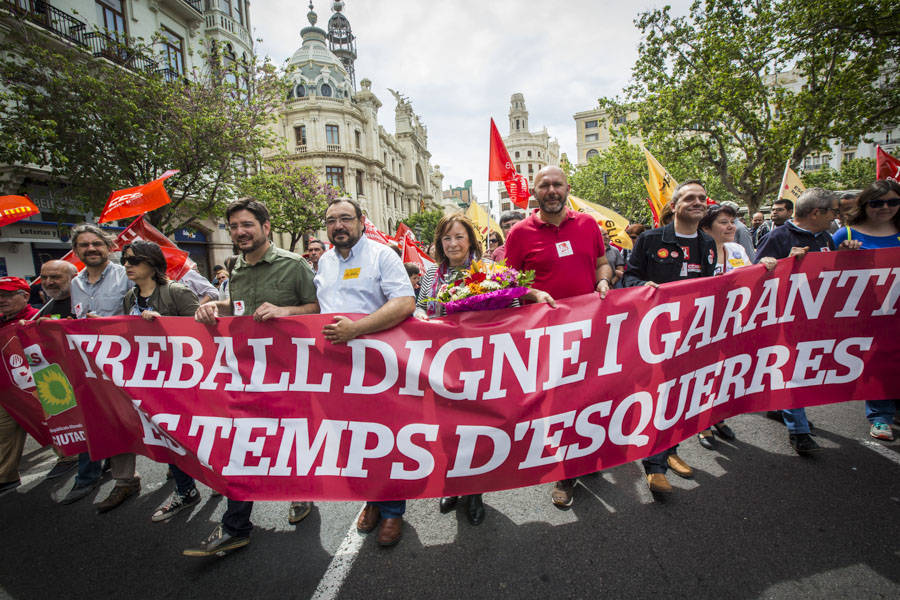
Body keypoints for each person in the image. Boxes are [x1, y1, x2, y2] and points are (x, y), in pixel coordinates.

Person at [185, 199, 319, 557]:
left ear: (265, 226)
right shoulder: (236, 269)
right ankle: (236, 527)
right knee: (241, 447)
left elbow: (318, 309)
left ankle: (301, 492)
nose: (240, 232)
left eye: (247, 224)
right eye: (233, 226)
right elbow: (240, 308)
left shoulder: (295, 266)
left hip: (292, 375)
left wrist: (286, 310)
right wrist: (217, 307)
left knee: (293, 441)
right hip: (247, 375)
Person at [504, 165, 613, 508]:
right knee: (558, 404)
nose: (551, 190)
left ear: (568, 188)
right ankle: (564, 472)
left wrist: (604, 280)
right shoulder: (519, 233)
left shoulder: (587, 225)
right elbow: (509, 283)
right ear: (533, 191)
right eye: (544, 185)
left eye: (557, 184)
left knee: (590, 396)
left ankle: (586, 453)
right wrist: (532, 294)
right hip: (545, 335)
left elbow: (601, 262)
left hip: (589, 330)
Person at [314, 198, 416, 547]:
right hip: (338, 370)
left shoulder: (382, 255)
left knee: (384, 439)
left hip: (378, 367)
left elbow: (404, 303)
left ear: (361, 221)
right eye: (331, 220)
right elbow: (318, 309)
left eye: (345, 218)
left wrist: (356, 330)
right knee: (354, 441)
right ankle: (371, 500)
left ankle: (392, 512)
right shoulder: (324, 261)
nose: (338, 225)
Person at [623, 180, 718, 495]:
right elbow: (630, 277)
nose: (697, 202)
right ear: (674, 206)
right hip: (653, 335)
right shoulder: (651, 240)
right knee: (656, 397)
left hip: (691, 335)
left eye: (701, 198)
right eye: (689, 198)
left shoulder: (707, 244)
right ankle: (655, 467)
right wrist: (644, 287)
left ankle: (670, 449)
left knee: (680, 395)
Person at [755, 188, 861, 454]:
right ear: (817, 212)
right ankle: (799, 431)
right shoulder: (778, 237)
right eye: (834, 211)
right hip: (785, 318)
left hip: (816, 316)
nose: (836, 216)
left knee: (802, 370)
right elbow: (755, 275)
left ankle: (781, 407)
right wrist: (783, 264)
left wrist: (846, 255)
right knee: (793, 372)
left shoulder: (826, 236)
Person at [413, 214, 504, 525]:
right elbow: (420, 305)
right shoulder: (429, 276)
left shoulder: (490, 272)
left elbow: (516, 310)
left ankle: (475, 490)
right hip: (441, 367)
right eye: (446, 238)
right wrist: (420, 316)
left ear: (471, 240)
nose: (452, 243)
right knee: (446, 429)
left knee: (476, 430)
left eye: (459, 237)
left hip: (480, 368)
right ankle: (453, 483)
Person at [120, 240, 202, 520]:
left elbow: (202, 338)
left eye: (133, 260)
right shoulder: (129, 298)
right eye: (125, 260)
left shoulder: (177, 293)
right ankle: (185, 490)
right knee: (167, 437)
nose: (127, 266)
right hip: (153, 383)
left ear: (152, 264)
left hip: (186, 381)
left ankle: (222, 483)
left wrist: (165, 326)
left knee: (199, 437)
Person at [63, 224, 140, 511]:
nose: (91, 249)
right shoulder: (76, 283)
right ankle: (125, 481)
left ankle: (183, 472)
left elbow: (143, 315)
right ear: (77, 250)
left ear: (108, 246)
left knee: (154, 419)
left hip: (131, 364)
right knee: (112, 421)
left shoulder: (127, 275)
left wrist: (108, 326)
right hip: (96, 369)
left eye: (97, 243)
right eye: (84, 245)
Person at [694, 204, 777, 449]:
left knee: (724, 374)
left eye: (732, 221)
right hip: (703, 326)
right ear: (706, 228)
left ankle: (717, 417)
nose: (731, 226)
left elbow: (752, 276)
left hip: (733, 325)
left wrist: (767, 266)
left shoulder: (737, 248)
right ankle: (701, 424)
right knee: (703, 376)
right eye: (723, 222)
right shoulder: (699, 252)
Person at [831, 179, 900, 441]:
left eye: (893, 202)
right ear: (865, 205)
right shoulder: (846, 235)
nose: (885, 208)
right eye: (877, 203)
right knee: (877, 361)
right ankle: (880, 416)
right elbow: (823, 271)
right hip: (866, 313)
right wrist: (842, 255)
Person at [33, 260, 81, 480]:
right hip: (57, 379)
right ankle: (68, 455)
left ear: (73, 278)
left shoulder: (82, 303)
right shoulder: (45, 307)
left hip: (86, 377)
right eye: (44, 277)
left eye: (56, 277)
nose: (49, 282)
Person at [0, 276, 38, 495]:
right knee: (4, 433)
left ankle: (69, 458)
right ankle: (5, 476)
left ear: (24, 296)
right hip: (7, 389)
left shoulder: (39, 317)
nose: (1, 300)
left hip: (38, 385)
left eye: (6, 295)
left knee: (52, 424)